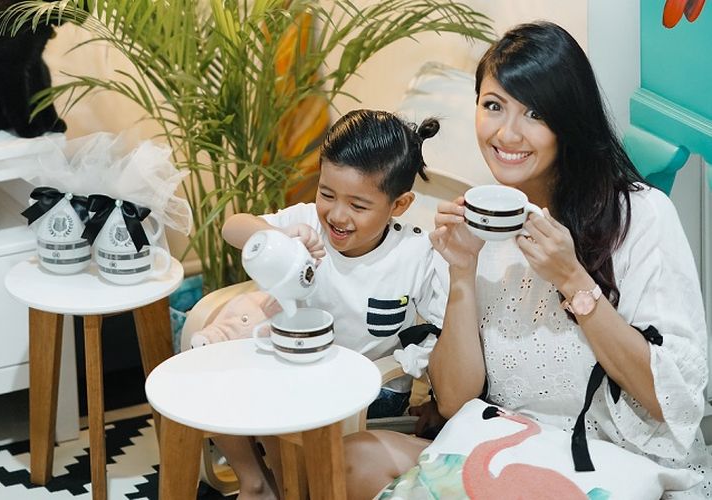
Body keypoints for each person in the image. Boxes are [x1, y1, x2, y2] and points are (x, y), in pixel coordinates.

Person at [344, 21, 712, 499]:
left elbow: (672, 401)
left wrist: (574, 280)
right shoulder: (474, 225)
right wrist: (461, 272)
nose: (507, 133)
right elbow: (454, 401)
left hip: (617, 460)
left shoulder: (640, 216)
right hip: (509, 447)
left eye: (534, 112)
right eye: (493, 106)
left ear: (568, 121)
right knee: (353, 460)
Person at [215, 108, 449, 499]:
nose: (336, 215)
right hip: (302, 368)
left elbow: (445, 330)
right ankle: (255, 481)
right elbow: (233, 226)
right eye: (326, 194)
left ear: (399, 204)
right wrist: (278, 238)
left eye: (358, 206)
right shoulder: (307, 223)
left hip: (371, 393)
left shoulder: (416, 253)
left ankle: (286, 483)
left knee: (280, 402)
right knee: (222, 355)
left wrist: (437, 403)